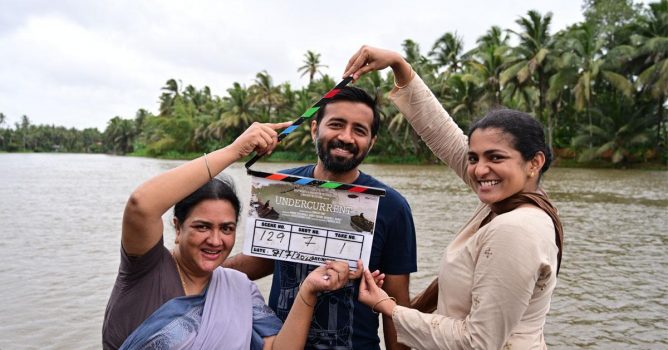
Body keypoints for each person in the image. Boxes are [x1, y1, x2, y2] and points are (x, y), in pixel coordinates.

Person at [346, 46, 564, 349]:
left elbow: (479, 342)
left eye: (496, 157)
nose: (479, 169)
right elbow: (442, 134)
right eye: (474, 158)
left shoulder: (515, 229)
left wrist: (389, 307)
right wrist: (399, 65)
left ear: (534, 163)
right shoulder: (514, 199)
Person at [102, 121, 364, 350]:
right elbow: (141, 205)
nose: (216, 241)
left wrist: (308, 290)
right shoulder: (146, 270)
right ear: (178, 227)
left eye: (226, 228)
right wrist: (233, 151)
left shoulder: (239, 288)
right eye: (202, 226)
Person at [224, 86, 418, 349]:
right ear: (315, 128)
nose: (346, 137)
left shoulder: (393, 207)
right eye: (336, 124)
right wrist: (195, 270)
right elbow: (261, 260)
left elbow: (396, 305)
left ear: (371, 142)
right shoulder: (281, 187)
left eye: (359, 131)